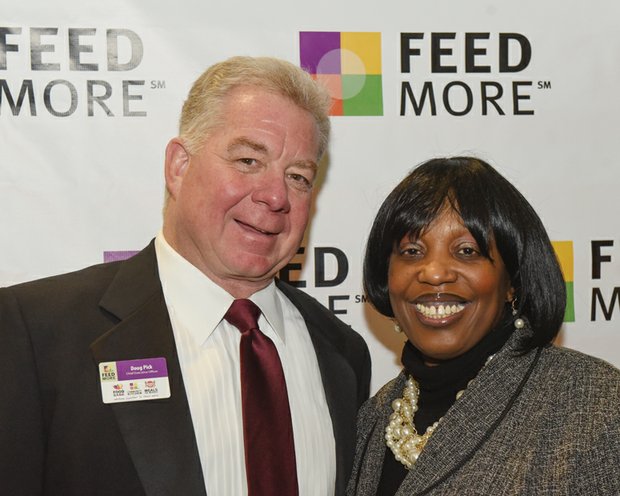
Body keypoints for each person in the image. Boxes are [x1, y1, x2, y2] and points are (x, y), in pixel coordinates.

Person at [0, 56, 371, 496]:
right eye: (249, 160)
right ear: (179, 166)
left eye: (298, 177)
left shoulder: (343, 353)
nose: (275, 196)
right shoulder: (35, 332)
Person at [347, 156, 620, 495]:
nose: (434, 273)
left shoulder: (593, 404)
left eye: (466, 251)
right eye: (412, 251)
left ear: (512, 282)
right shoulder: (372, 419)